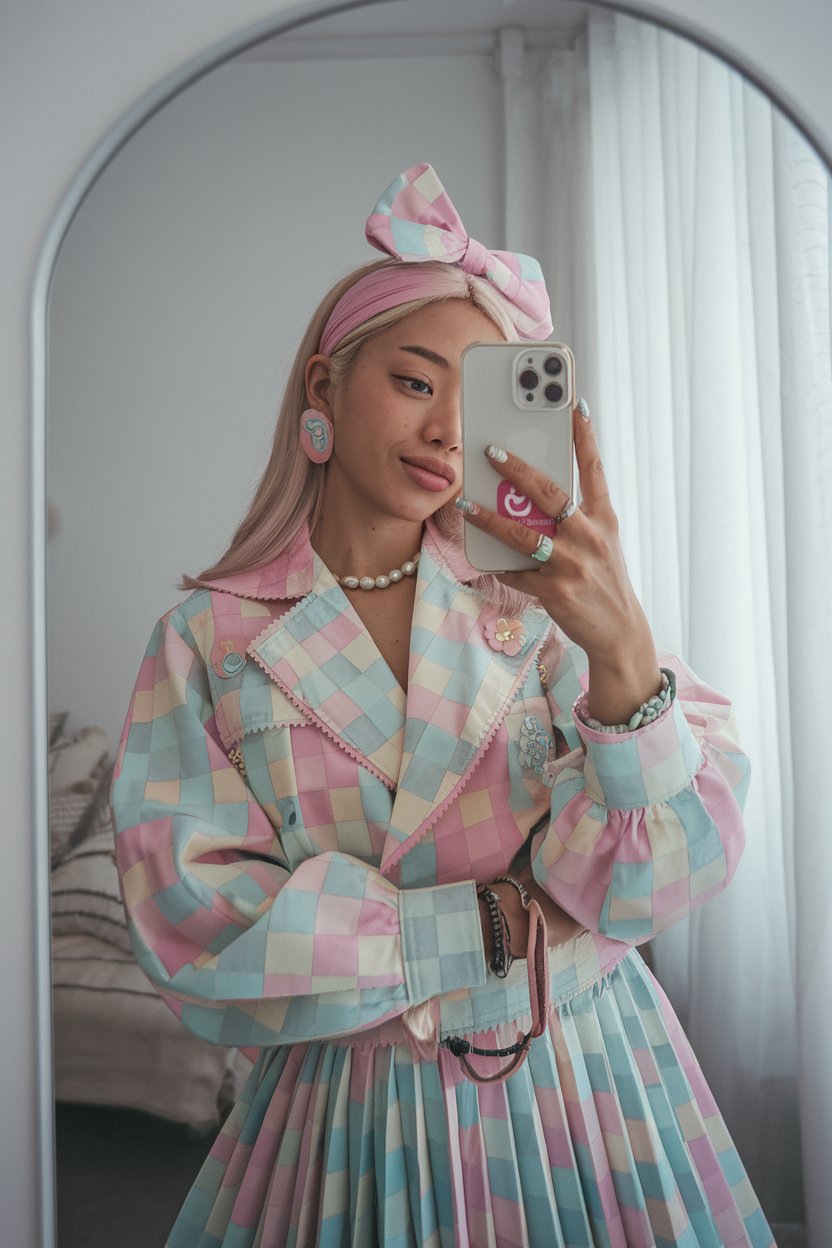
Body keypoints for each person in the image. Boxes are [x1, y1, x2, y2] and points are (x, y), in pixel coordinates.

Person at [111, 163, 774, 1247]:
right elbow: (200, 936)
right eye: (417, 383)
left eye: (483, 396)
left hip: (591, 1078)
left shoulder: (542, 597)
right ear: (323, 389)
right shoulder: (209, 643)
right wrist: (490, 924)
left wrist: (618, 646)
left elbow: (665, 870)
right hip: (352, 1116)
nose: (449, 432)